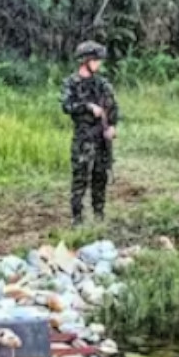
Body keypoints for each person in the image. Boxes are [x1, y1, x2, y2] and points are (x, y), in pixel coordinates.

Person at [60, 40, 119, 226]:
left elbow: (112, 107)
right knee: (80, 179)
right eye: (95, 60)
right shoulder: (71, 83)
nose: (98, 64)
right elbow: (67, 106)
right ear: (85, 61)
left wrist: (112, 126)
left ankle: (99, 215)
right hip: (83, 137)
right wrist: (87, 107)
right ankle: (77, 219)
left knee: (100, 177)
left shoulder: (102, 84)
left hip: (101, 138)